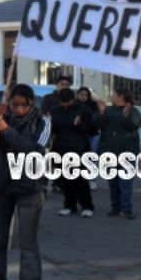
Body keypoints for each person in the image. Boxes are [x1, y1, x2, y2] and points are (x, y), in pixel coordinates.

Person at [0, 84, 52, 280]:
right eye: (14, 105)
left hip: (29, 187)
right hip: (2, 185)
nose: (18, 109)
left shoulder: (43, 121)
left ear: (31, 103)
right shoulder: (2, 118)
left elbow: (34, 150)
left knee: (27, 244)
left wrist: (7, 131)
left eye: (22, 105)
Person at [92, 87, 141, 219]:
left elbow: (135, 124)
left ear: (121, 96)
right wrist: (101, 112)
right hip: (109, 151)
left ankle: (126, 209)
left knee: (125, 183)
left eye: (114, 94)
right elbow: (95, 124)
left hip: (127, 152)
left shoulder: (133, 110)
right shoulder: (107, 110)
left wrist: (127, 116)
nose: (112, 96)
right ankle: (115, 207)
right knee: (112, 182)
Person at [50, 88, 95, 218]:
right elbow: (52, 130)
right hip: (61, 148)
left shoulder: (83, 110)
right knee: (65, 179)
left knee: (80, 179)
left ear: (72, 99)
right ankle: (69, 205)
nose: (65, 105)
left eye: (68, 102)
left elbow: (92, 129)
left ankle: (87, 206)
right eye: (62, 102)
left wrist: (79, 125)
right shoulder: (54, 111)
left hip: (79, 148)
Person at [76, 86, 101, 190]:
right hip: (79, 135)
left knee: (92, 157)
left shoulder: (94, 105)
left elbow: (98, 119)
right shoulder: (74, 105)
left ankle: (91, 179)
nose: (83, 97)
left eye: (85, 95)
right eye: (81, 94)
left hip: (93, 134)